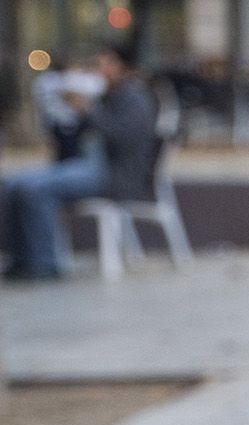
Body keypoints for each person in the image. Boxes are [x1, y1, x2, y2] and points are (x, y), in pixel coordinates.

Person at [2, 44, 158, 281]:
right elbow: (78, 137)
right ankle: (21, 259)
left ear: (121, 65)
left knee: (34, 189)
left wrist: (88, 110)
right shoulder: (105, 96)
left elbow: (121, 138)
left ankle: (44, 263)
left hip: (114, 173)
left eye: (103, 63)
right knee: (12, 184)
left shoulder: (134, 97)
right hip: (85, 167)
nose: (97, 70)